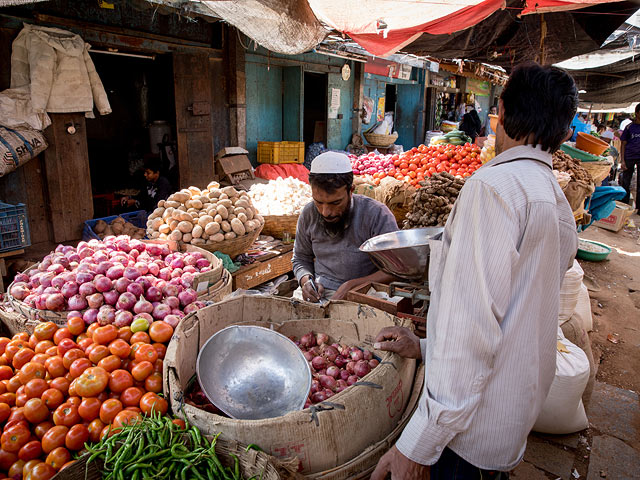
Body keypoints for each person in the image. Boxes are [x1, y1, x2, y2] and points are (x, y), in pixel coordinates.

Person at [371, 62, 578, 480]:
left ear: (500, 110)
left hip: (467, 435)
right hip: (510, 420)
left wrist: (417, 446)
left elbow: (473, 331)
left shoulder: (492, 188)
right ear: (565, 127)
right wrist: (425, 348)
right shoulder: (556, 200)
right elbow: (517, 317)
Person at [292, 152, 398, 302]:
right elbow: (300, 258)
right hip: (320, 292)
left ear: (351, 190)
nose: (326, 212)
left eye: (335, 203)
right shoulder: (309, 213)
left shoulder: (376, 214)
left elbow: (396, 268)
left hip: (366, 292)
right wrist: (307, 281)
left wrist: (352, 286)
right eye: (319, 202)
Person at [620, 103, 640, 208]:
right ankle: (624, 205)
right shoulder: (629, 127)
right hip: (629, 156)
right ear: (637, 113)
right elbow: (623, 144)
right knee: (625, 182)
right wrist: (622, 160)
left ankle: (639, 208)